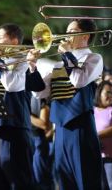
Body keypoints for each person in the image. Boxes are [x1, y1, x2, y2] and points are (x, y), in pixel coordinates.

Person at [28, 18, 103, 189]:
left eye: (71, 32)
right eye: (67, 32)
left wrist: (67, 55)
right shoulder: (59, 64)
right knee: (64, 183)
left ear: (86, 36)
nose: (65, 36)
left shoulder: (93, 58)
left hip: (81, 127)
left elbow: (78, 80)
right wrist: (32, 66)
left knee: (86, 181)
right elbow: (39, 92)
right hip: (60, 130)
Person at [0, 23, 45, 189]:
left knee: (18, 183)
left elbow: (11, 85)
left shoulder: (23, 60)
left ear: (14, 41)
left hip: (13, 128)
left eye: (0, 39)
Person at [30, 96, 54, 190]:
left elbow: (44, 124)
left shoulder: (40, 99)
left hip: (38, 141)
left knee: (41, 179)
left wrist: (26, 115)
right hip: (29, 140)